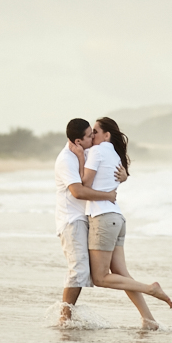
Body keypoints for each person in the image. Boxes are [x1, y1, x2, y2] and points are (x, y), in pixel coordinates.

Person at [80, 117, 172, 329]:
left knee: (101, 277)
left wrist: (77, 155)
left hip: (103, 218)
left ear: (106, 135)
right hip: (116, 219)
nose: (92, 134)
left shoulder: (98, 151)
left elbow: (84, 183)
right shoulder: (114, 153)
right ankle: (149, 320)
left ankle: (150, 289)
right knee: (122, 276)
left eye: (95, 131)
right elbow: (115, 176)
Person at [54, 118, 125, 324]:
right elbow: (78, 191)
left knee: (86, 272)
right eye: (89, 135)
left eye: (93, 132)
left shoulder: (84, 151)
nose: (93, 137)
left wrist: (124, 175)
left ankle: (66, 317)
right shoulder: (66, 159)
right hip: (71, 220)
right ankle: (64, 319)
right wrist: (108, 196)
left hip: (87, 218)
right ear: (78, 141)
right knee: (79, 270)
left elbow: (102, 168)